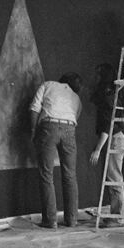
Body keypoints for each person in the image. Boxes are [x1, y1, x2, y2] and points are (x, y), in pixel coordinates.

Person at [30, 72, 82, 229]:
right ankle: (72, 220)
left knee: (46, 174)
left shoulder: (48, 85)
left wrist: (33, 130)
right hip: (69, 129)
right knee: (70, 175)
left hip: (49, 127)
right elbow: (76, 117)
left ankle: (50, 220)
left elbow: (34, 108)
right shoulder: (76, 97)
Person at [89, 63, 124, 227]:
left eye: (98, 74)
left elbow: (107, 125)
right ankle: (118, 214)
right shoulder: (113, 93)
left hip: (115, 138)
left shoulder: (107, 97)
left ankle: (119, 217)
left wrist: (97, 149)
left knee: (114, 178)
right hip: (118, 138)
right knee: (114, 177)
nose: (95, 77)